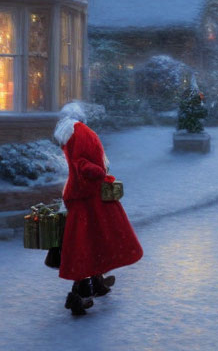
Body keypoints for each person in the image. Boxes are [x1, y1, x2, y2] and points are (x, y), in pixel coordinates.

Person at [54, 116, 143, 315]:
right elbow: (83, 165)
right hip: (84, 201)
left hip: (86, 200)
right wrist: (99, 173)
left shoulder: (76, 138)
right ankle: (79, 296)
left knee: (95, 243)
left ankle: (97, 282)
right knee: (85, 248)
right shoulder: (79, 143)